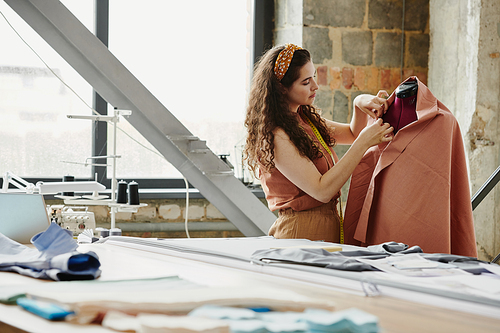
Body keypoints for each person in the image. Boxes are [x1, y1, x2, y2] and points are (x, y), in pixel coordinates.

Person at [244, 44, 394, 243]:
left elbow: (351, 133)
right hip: (300, 233)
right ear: (282, 88)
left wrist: (359, 102)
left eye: (313, 77)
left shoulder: (305, 120)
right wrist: (364, 143)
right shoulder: (276, 135)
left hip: (326, 226)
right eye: (306, 82)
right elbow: (322, 190)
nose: (315, 86)